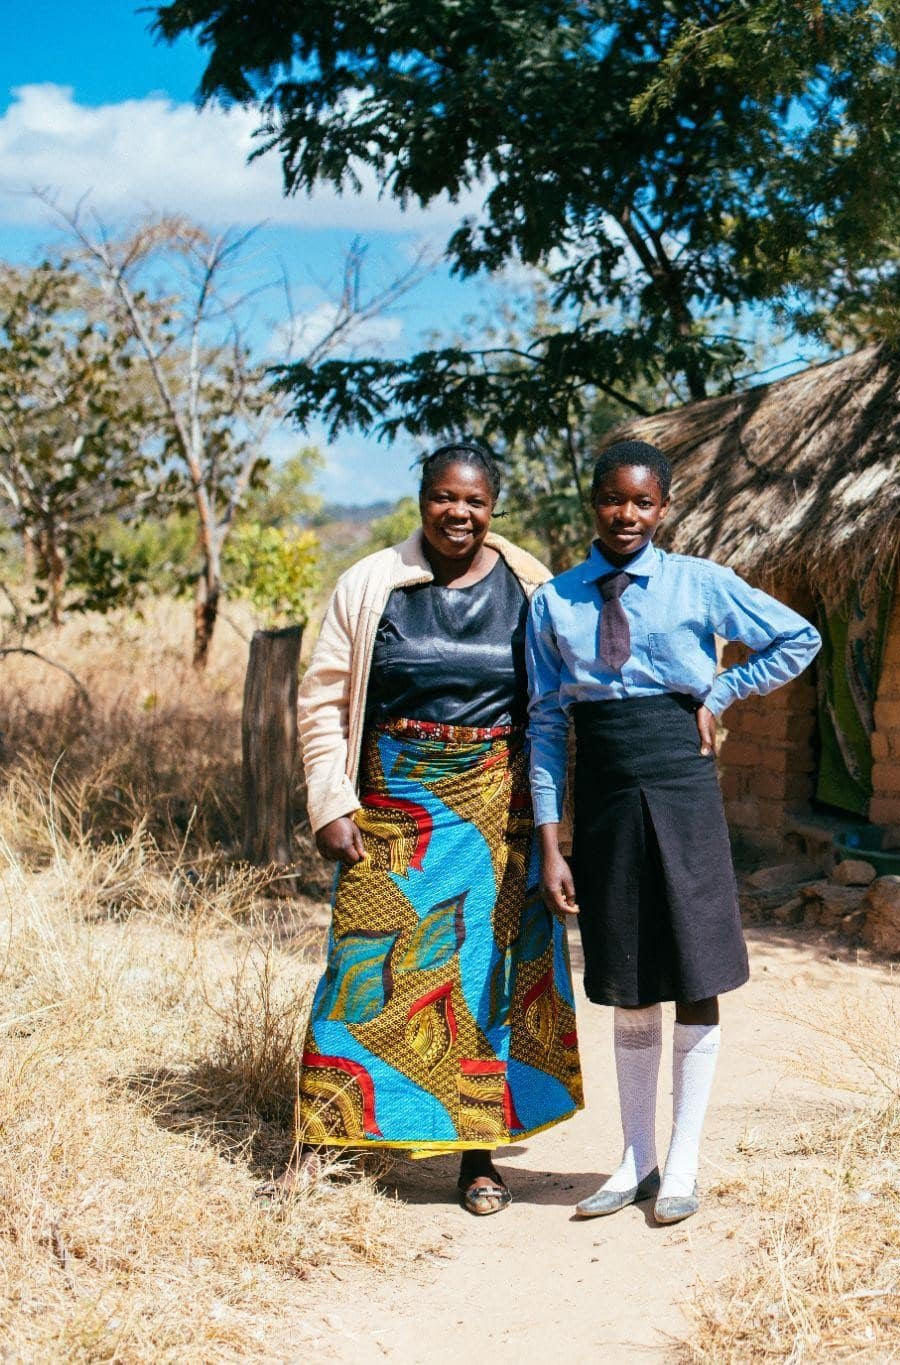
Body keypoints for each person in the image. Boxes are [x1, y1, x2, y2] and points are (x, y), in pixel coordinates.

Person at [527, 440, 820, 1225]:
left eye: (644, 502)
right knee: (626, 974)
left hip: (682, 781)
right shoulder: (553, 602)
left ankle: (684, 1160)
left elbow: (799, 638)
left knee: (694, 967)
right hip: (607, 787)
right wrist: (554, 841)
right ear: (593, 501)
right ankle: (635, 1159)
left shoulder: (701, 583)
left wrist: (721, 691)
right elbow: (548, 724)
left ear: (665, 507)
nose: (627, 515)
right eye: (614, 500)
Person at [293, 440, 582, 1215]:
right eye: (446, 498)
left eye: (476, 500)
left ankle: (477, 1157)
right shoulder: (372, 583)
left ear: (495, 505)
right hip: (391, 806)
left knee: (476, 983)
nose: (460, 513)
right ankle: (323, 1138)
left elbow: (556, 708)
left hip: (497, 813)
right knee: (360, 966)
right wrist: (329, 800)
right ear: (422, 497)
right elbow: (323, 697)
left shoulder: (531, 589)